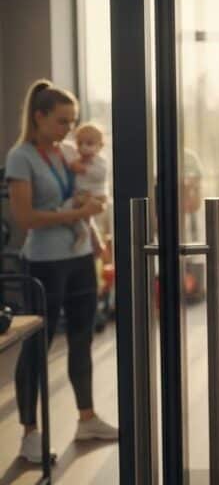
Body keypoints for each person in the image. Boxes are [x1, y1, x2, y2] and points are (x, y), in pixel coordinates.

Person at [5, 79, 119, 464]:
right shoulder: (22, 157)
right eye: (62, 121)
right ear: (39, 117)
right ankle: (29, 434)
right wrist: (79, 214)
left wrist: (95, 230)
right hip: (44, 265)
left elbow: (82, 197)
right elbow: (26, 218)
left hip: (80, 258)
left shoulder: (65, 153)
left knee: (82, 339)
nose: (69, 130)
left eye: (72, 122)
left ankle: (86, 418)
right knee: (37, 347)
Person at [63, 122, 108, 253]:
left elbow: (98, 174)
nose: (83, 147)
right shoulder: (79, 158)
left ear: (100, 146)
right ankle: (95, 242)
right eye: (79, 143)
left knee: (70, 209)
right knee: (83, 218)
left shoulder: (99, 161)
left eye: (89, 143)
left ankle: (83, 235)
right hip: (84, 195)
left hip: (95, 196)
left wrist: (82, 168)